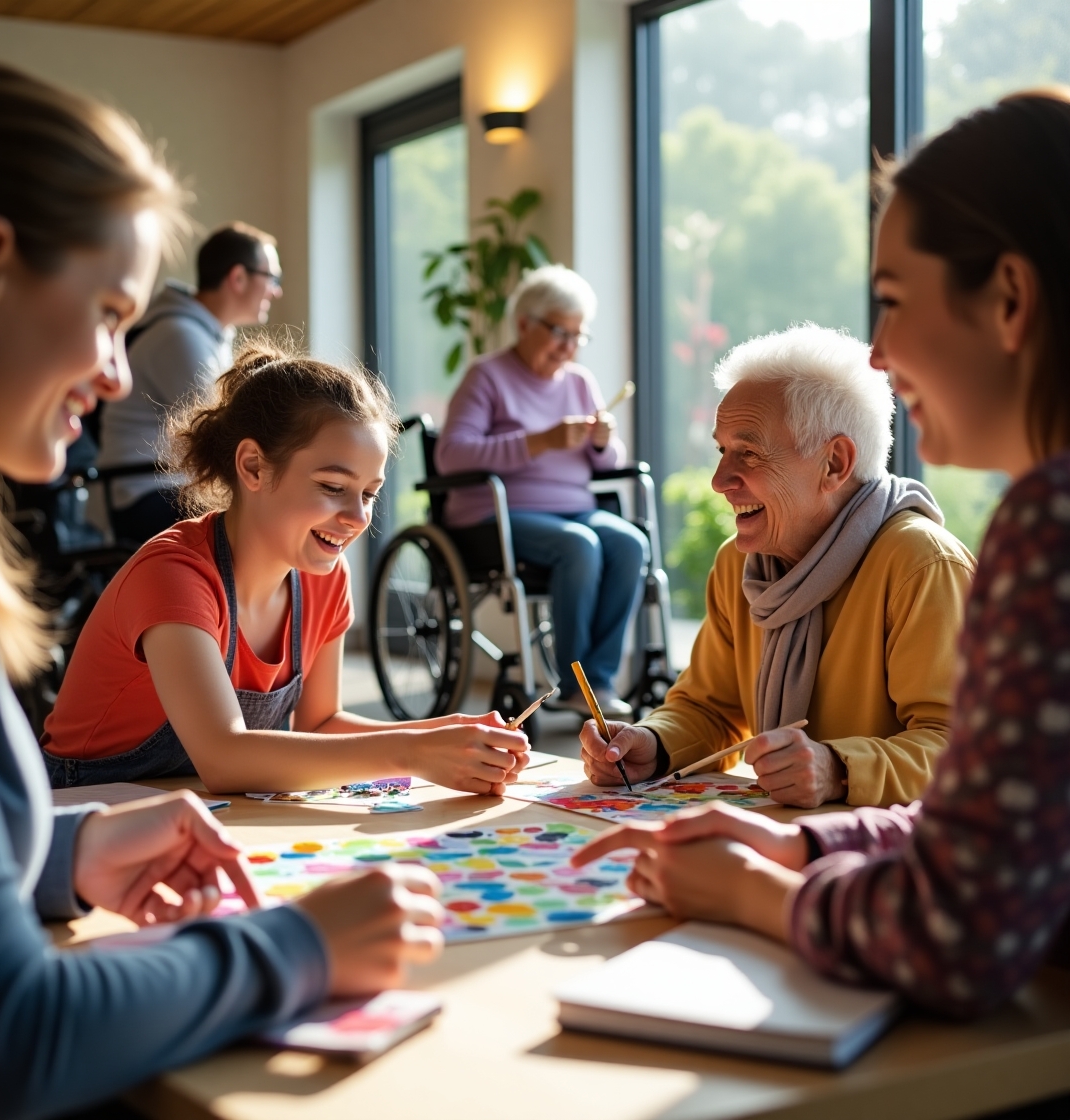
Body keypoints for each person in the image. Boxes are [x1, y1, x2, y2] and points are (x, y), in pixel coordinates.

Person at [0, 62, 444, 1120]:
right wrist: (299, 943)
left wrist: (65, 851)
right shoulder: (173, 568)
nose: (121, 375)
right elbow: (7, 1036)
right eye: (108, 314)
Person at [573, 88, 1070, 1021]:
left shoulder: (1021, 538)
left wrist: (750, 889)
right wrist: (802, 842)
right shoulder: (742, 567)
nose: (877, 355)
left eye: (891, 303)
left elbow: (961, 926)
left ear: (1008, 298)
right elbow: (997, 822)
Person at [42, 339, 529, 794]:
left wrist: (450, 732)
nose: (358, 518)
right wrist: (415, 753)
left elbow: (320, 724)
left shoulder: (326, 578)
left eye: (369, 494)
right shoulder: (173, 574)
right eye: (333, 487)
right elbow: (224, 756)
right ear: (253, 466)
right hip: (86, 809)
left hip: (196, 807)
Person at [581, 324, 974, 808]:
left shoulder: (922, 565)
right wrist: (653, 744)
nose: (720, 480)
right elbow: (710, 708)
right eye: (722, 450)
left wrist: (839, 771)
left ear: (834, 463)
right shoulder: (737, 564)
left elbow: (967, 752)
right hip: (786, 840)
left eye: (748, 452)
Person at [435, 264, 649, 718]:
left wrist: (601, 442)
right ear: (524, 323)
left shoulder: (579, 382)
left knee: (630, 542)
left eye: (577, 335)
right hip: (497, 515)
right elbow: (451, 455)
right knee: (580, 546)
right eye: (559, 332)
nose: (569, 346)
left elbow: (608, 464)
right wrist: (540, 441)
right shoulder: (487, 377)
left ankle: (601, 679)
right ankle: (578, 685)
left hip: (572, 508)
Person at [97, 221, 283, 544]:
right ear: (237, 277)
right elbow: (224, 432)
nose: (276, 290)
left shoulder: (203, 334)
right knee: (265, 522)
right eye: (272, 278)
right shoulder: (180, 336)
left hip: (161, 485)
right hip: (144, 493)